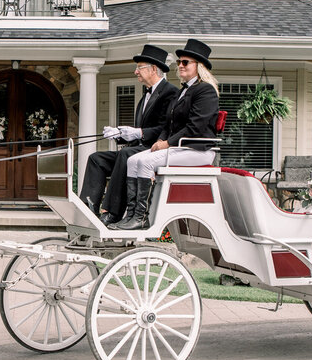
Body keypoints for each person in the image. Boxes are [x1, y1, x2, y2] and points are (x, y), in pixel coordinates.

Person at [111, 38, 219, 231]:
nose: (180, 65)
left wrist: (167, 143)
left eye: (185, 62)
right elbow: (169, 123)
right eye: (179, 62)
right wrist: (161, 138)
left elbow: (195, 127)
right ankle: (132, 214)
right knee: (132, 160)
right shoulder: (182, 92)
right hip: (180, 146)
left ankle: (141, 218)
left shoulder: (205, 91)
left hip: (197, 149)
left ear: (199, 66)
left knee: (144, 162)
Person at [79, 45, 177, 225]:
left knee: (124, 155)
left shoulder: (170, 93)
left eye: (139, 67)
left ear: (154, 69)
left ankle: (112, 213)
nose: (135, 72)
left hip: (154, 149)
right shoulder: (145, 96)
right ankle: (87, 207)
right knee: (96, 158)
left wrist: (138, 132)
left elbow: (166, 128)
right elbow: (139, 131)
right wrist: (119, 134)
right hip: (138, 148)